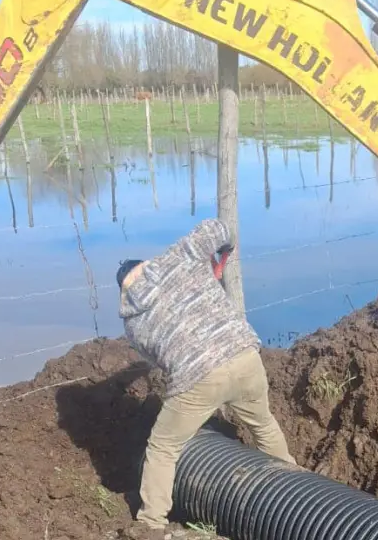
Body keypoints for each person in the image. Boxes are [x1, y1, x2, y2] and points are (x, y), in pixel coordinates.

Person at [116, 218, 295, 539]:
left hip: (199, 378)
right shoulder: (179, 258)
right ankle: (296, 491)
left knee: (163, 446)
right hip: (245, 356)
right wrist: (222, 252)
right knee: (263, 425)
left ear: (124, 290)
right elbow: (218, 228)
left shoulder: (133, 324)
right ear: (147, 266)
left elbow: (165, 362)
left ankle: (151, 524)